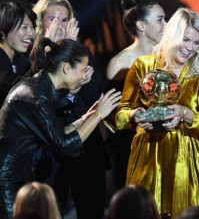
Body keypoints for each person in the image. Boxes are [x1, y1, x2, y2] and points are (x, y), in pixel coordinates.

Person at [0, 37, 121, 219]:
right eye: (82, 70)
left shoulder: (41, 89)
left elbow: (57, 133)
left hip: (20, 176)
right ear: (66, 68)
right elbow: (63, 145)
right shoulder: (35, 95)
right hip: (8, 180)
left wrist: (86, 117)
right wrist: (97, 116)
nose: (84, 77)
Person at [115, 7, 199, 218]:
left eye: (196, 43)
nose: (190, 48)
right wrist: (136, 116)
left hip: (184, 164)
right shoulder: (143, 66)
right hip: (147, 157)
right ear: (171, 35)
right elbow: (119, 117)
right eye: (185, 40)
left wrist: (185, 113)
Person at [32, 0, 110, 219]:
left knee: (91, 208)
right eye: (51, 19)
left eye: (64, 20)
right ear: (41, 22)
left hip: (84, 146)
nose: (58, 25)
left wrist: (74, 53)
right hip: (51, 149)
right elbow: (37, 96)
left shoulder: (82, 53)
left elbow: (93, 98)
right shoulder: (34, 54)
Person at [105, 0, 166, 191]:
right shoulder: (118, 64)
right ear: (141, 26)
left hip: (166, 146)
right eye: (160, 20)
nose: (166, 26)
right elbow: (109, 114)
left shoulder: (170, 59)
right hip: (129, 149)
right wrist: (133, 118)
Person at [0, 1, 36, 105]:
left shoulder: (22, 61)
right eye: (24, 27)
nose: (31, 33)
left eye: (32, 27)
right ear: (3, 31)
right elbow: (21, 91)